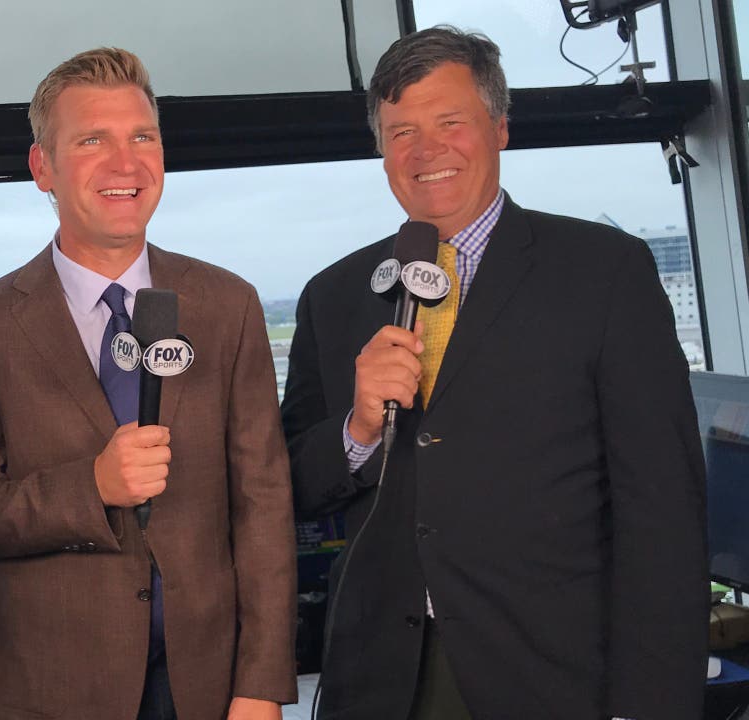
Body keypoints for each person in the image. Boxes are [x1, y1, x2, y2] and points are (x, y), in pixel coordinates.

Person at [281, 26, 708, 720]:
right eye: (402, 132)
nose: (426, 151)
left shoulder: (605, 272)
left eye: (451, 123)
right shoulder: (333, 296)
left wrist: (654, 702)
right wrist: (357, 429)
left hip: (556, 677)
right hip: (379, 682)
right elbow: (292, 483)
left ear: (500, 127)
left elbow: (663, 508)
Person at [0, 47, 297, 720]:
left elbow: (264, 506)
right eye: (92, 141)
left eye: (142, 138)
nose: (126, 164)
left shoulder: (228, 305)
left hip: (209, 684)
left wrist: (262, 683)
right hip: (45, 689)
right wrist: (90, 487)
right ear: (43, 167)